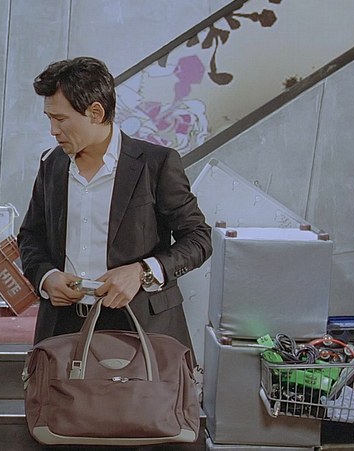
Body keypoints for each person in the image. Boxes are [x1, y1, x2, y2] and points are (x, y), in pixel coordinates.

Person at [18, 57, 212, 349]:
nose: (53, 130)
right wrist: (46, 277)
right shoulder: (52, 164)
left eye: (61, 119)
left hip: (142, 334)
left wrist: (142, 272)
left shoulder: (155, 164)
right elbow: (30, 236)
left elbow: (199, 239)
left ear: (95, 112)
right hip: (63, 331)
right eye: (49, 119)